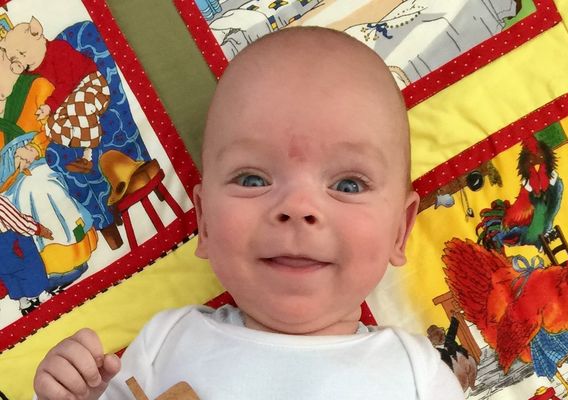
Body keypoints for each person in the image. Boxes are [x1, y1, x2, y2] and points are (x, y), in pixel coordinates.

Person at [32, 26, 464, 399]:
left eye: (348, 185)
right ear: (204, 220)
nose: (298, 208)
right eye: (253, 179)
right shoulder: (167, 342)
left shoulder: (419, 375)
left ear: (399, 231)